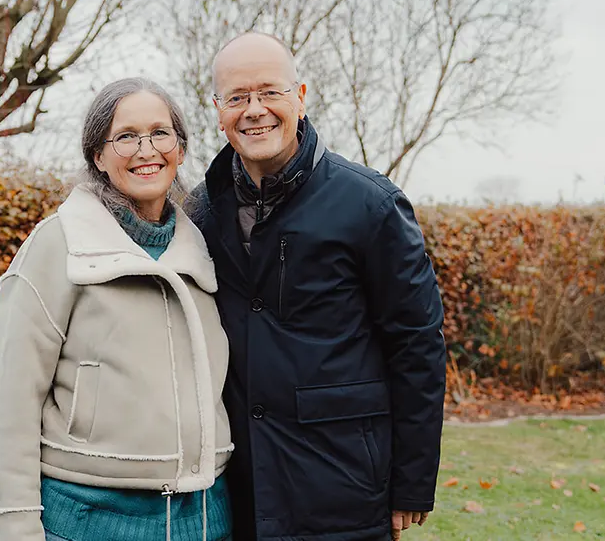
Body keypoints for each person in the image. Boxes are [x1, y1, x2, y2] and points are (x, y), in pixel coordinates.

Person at [187, 32, 447, 541]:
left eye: (270, 92)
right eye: (237, 97)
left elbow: (417, 346)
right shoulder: (201, 211)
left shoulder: (370, 205)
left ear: (300, 96)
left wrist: (411, 482)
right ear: (217, 109)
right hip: (236, 488)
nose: (254, 110)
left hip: (343, 484)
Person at [0, 77, 234, 541]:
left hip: (205, 517)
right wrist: (16, 525)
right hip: (90, 516)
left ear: (179, 149)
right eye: (125, 137)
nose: (146, 150)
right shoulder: (56, 245)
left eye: (161, 133)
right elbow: (11, 404)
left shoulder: (205, 247)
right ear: (98, 156)